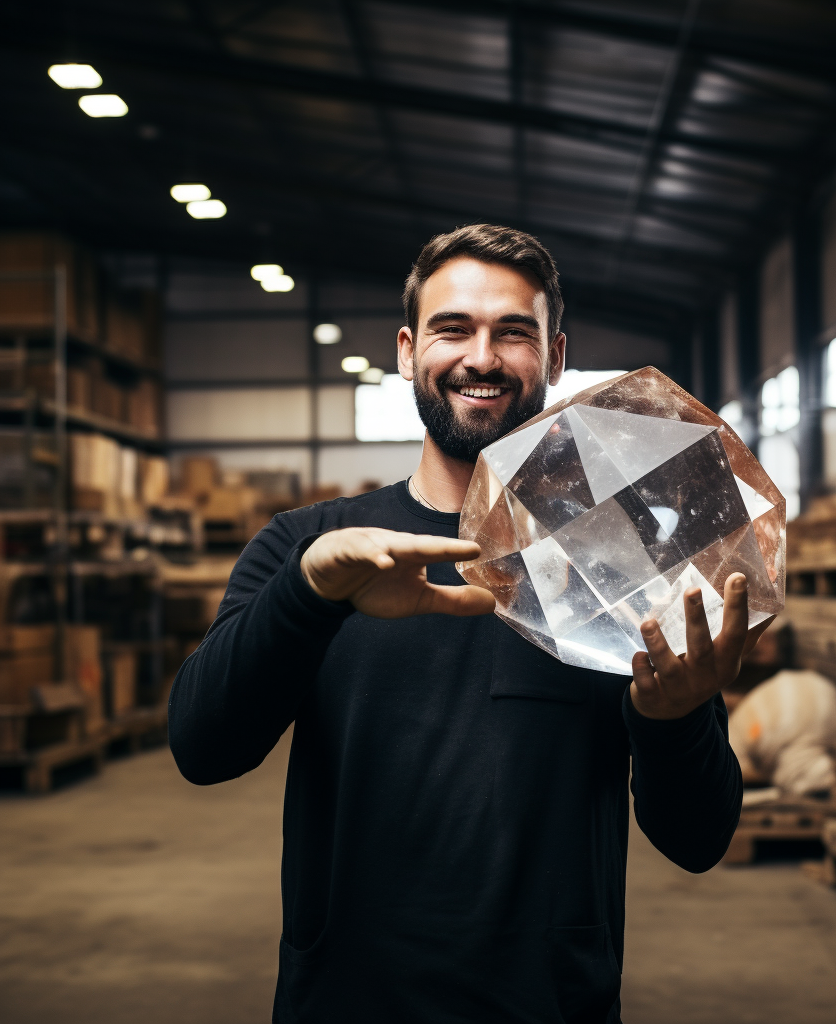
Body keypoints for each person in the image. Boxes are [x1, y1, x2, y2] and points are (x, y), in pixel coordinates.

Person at [169, 224, 769, 1024]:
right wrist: (308, 595)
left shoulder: (623, 565)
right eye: (454, 329)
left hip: (550, 1005)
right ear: (409, 349)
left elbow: (699, 840)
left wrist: (672, 717)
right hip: (345, 1002)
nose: (481, 358)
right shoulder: (308, 547)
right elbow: (203, 749)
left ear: (555, 358)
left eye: (513, 333)